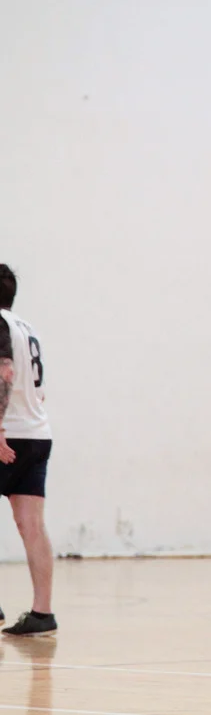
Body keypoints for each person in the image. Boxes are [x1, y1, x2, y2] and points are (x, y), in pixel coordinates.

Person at [0, 264, 58, 637]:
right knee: (32, 525)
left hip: (9, 433)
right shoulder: (25, 326)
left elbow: (4, 371)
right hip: (37, 433)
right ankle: (42, 613)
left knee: (29, 524)